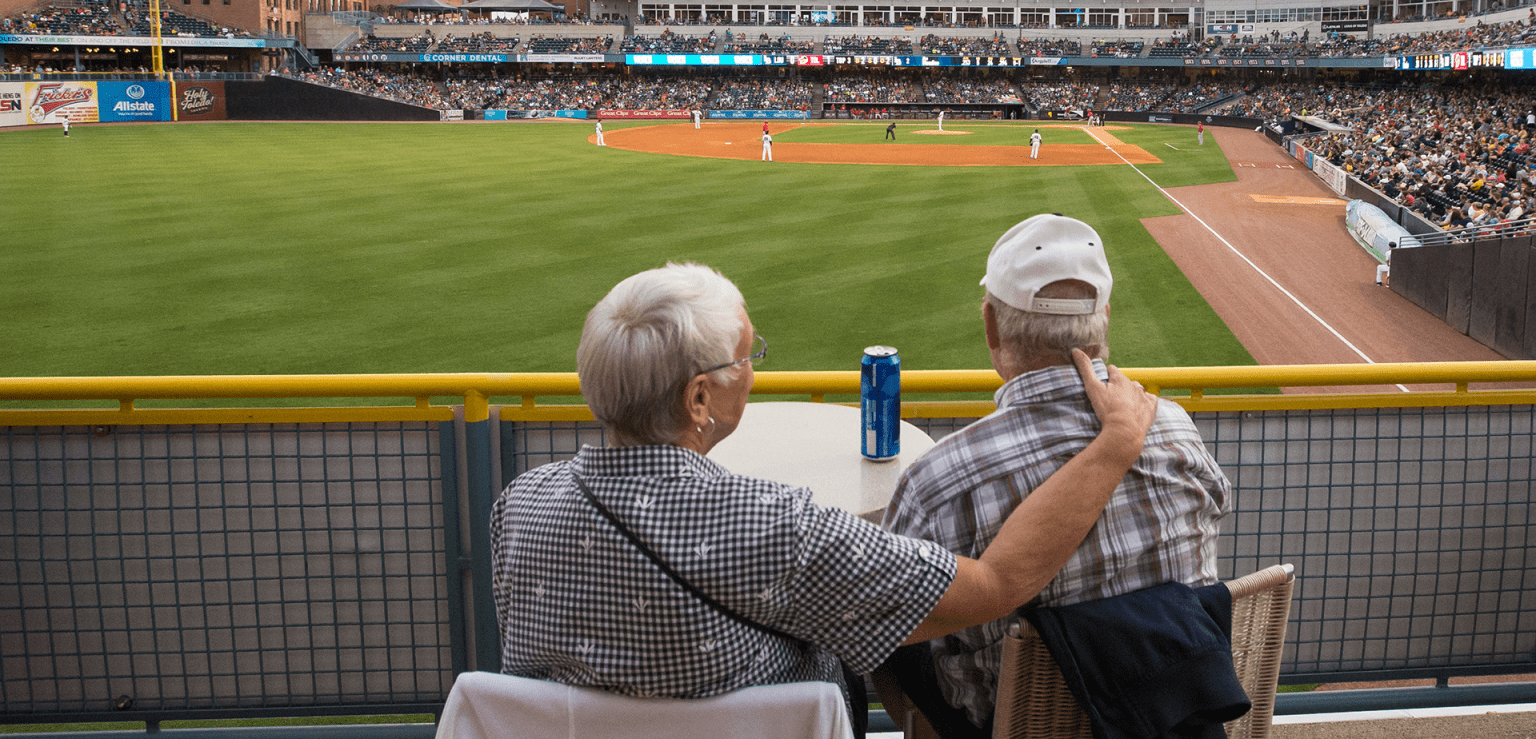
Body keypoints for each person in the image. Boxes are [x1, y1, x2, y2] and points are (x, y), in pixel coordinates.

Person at [490, 262, 1159, 736]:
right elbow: (995, 584)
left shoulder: (517, 507)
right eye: (745, 358)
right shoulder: (775, 524)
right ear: (699, 398)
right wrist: (1113, 445)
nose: (752, 373)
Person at [880, 214, 1232, 739]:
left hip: (1003, 725)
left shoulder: (937, 478)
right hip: (1174, 712)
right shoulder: (1177, 429)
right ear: (1104, 319)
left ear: (991, 325)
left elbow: (884, 615)